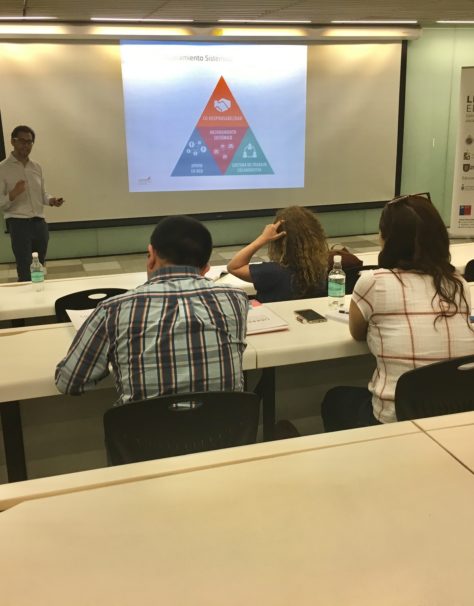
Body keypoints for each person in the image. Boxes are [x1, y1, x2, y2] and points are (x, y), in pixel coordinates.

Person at [321, 194, 474, 431]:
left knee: (335, 400)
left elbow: (357, 333)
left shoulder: (373, 282)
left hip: (394, 421)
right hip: (452, 420)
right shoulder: (458, 284)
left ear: (387, 239)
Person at [55, 216, 249, 402]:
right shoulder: (235, 298)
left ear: (151, 255)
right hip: (225, 425)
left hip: (144, 426)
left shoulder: (114, 309)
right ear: (206, 267)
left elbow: (68, 382)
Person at [0, 125, 64, 281]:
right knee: (25, 267)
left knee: (39, 266)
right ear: (12, 141)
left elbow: (42, 194)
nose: (26, 145)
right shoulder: (2, 168)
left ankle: (39, 291)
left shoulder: (36, 167)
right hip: (18, 223)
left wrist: (51, 200)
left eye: (29, 142)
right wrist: (13, 193)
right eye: (22, 141)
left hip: (39, 223)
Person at [227, 205, 328, 303]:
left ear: (278, 240)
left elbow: (234, 267)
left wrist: (263, 238)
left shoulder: (271, 272)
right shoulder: (324, 270)